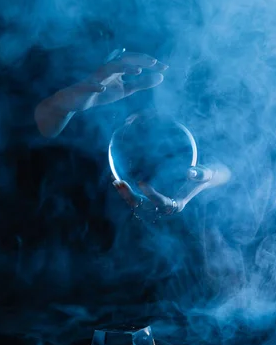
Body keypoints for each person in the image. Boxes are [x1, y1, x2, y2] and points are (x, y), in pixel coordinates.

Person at [33, 49, 232, 220]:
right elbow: (38, 133)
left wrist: (207, 178)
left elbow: (231, 167)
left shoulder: (211, 81)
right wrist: (60, 107)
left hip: (176, 237)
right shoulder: (107, 62)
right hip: (78, 215)